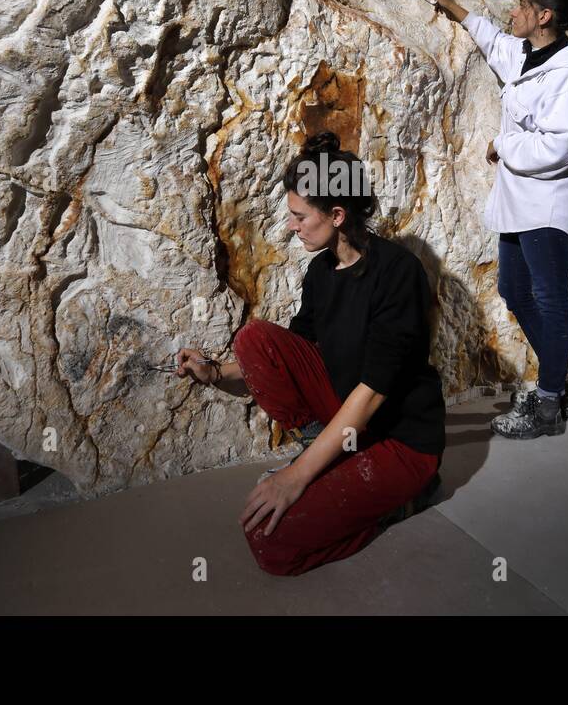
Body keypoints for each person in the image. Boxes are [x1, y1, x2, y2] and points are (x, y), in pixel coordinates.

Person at [175, 132, 446, 576]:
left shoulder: (397, 273)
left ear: (337, 215)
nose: (291, 226)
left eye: (300, 216)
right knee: (253, 339)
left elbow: (374, 395)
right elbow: (293, 360)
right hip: (346, 419)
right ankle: (330, 454)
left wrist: (296, 476)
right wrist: (214, 373)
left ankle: (398, 500)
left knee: (271, 543)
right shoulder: (321, 272)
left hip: (401, 442)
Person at [425, 0, 568, 439]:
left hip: (547, 204)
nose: (514, 12)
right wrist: (451, 3)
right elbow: (493, 40)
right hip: (517, 203)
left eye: (523, 6)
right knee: (513, 288)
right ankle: (556, 384)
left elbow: (560, 146)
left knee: (549, 299)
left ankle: (547, 407)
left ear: (544, 16)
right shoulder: (529, 56)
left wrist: (502, 144)